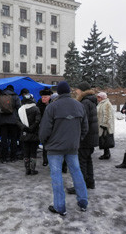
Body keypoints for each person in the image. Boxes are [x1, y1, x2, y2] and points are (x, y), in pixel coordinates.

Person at [39, 81, 89, 215]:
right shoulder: (79, 105)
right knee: (77, 172)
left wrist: (44, 142)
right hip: (72, 147)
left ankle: (60, 206)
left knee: (56, 176)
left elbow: (45, 130)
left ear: (59, 93)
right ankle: (83, 201)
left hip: (54, 148)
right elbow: (85, 127)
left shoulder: (52, 107)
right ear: (68, 91)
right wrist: (77, 140)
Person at [67, 82, 98, 193]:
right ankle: (90, 182)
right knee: (88, 160)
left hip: (85, 137)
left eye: (78, 89)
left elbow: (81, 119)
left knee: (81, 162)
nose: (76, 91)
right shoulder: (91, 101)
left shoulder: (84, 102)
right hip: (91, 136)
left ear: (83, 91)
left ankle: (80, 186)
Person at [17, 93, 41, 175]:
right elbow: (38, 121)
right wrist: (32, 128)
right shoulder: (36, 109)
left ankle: (27, 169)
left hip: (24, 134)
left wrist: (24, 128)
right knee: (33, 152)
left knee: (26, 151)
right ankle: (33, 169)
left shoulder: (20, 109)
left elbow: (17, 121)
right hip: (34, 134)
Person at [0, 84, 21, 163]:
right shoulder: (15, 96)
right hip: (13, 121)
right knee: (13, 139)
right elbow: (19, 108)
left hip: (3, 121)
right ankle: (13, 157)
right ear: (12, 89)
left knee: (4, 139)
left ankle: (3, 158)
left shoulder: (0, 96)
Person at [36, 87, 53, 166]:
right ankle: (45, 160)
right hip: (43, 126)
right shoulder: (39, 104)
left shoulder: (53, 104)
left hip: (53, 127)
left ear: (50, 97)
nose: (43, 99)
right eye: (42, 97)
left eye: (45, 97)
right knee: (45, 144)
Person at [96, 92, 115, 160]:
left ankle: (106, 154)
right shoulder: (102, 103)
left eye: (99, 97)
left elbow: (107, 115)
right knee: (104, 139)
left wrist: (104, 124)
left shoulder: (106, 104)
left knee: (105, 139)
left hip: (105, 125)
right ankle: (106, 153)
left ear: (102, 97)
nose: (97, 98)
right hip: (102, 124)